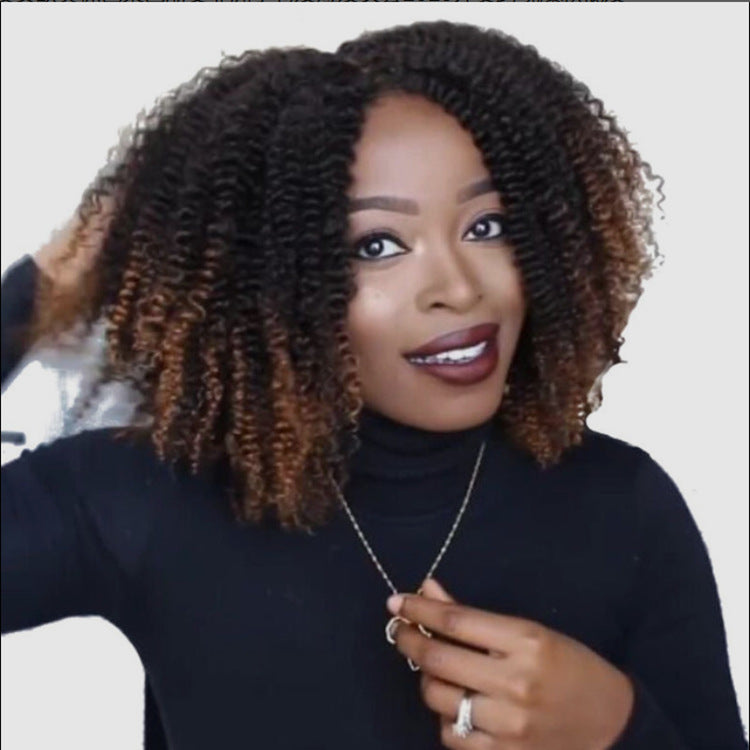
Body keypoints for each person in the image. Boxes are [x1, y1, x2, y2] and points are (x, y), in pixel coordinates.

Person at [1, 20, 747, 750]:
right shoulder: (149, 496)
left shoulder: (622, 506)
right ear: (272, 280)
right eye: (379, 245)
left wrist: (616, 727)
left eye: (487, 226)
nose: (458, 288)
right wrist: (39, 291)